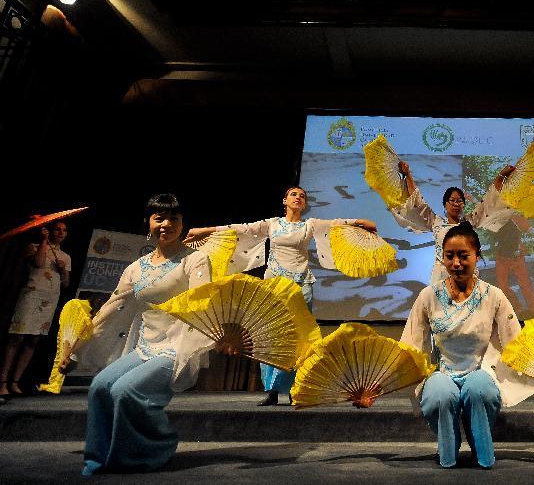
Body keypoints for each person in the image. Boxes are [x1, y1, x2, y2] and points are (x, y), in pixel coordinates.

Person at [63, 194, 219, 475]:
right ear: (147, 223)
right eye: (159, 218)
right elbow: (112, 305)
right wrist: (78, 345)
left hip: (177, 347)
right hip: (146, 346)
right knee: (100, 386)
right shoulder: (136, 267)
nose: (166, 224)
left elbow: (203, 301)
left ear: (182, 223)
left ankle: (157, 447)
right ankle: (99, 458)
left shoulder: (195, 260)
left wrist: (220, 335)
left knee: (126, 391)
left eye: (174, 218)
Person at [184, 186, 377, 406]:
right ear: (284, 200)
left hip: (301, 285)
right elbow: (240, 230)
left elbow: (335, 224)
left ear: (304, 204)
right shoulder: (272, 224)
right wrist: (205, 230)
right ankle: (272, 391)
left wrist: (360, 223)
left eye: (302, 196)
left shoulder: (309, 225)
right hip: (274, 285)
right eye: (294, 195)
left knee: (300, 338)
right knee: (269, 335)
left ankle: (296, 388)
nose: (298, 198)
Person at [400, 222, 534, 469]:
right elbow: (410, 344)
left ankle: (480, 448)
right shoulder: (428, 296)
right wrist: (376, 389)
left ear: (477, 256)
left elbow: (517, 344)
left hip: (481, 372)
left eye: (463, 256)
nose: (456, 263)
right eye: (449, 256)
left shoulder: (494, 296)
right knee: (440, 394)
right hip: (444, 373)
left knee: (479, 389)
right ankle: (449, 447)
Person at [392, 161, 516, 285]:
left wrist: (501, 176)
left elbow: (490, 200)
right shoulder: (435, 222)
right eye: (452, 201)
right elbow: (416, 199)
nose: (456, 204)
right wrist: (407, 174)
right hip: (441, 279)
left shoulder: (470, 221)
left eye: (460, 201)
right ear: (445, 204)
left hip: (467, 278)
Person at [0, 221, 71, 400]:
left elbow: (66, 284)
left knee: (33, 340)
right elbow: (38, 263)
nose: (61, 233)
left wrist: (63, 271)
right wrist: (44, 241)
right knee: (17, 337)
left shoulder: (65, 257)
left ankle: (15, 382)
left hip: (49, 299)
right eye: (57, 229)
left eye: (64, 230)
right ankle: (2, 382)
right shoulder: (34, 247)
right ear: (50, 231)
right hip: (31, 295)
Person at [492, 214, 534, 318]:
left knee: (526, 286)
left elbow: (526, 228)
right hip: (502, 257)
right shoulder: (494, 216)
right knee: (502, 287)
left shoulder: (515, 215)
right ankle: (518, 309)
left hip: (517, 257)